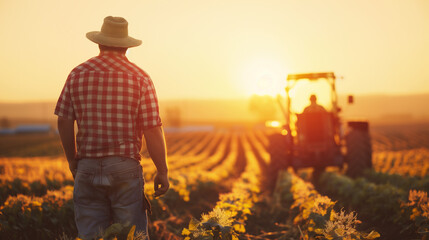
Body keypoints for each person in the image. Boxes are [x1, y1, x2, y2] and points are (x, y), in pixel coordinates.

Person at [55, 16, 169, 239]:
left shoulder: (77, 74)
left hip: (86, 166)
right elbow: (152, 129)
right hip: (125, 166)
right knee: (131, 235)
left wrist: (72, 159)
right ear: (127, 46)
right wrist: (162, 171)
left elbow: (64, 120)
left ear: (99, 43)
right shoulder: (140, 77)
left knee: (91, 235)